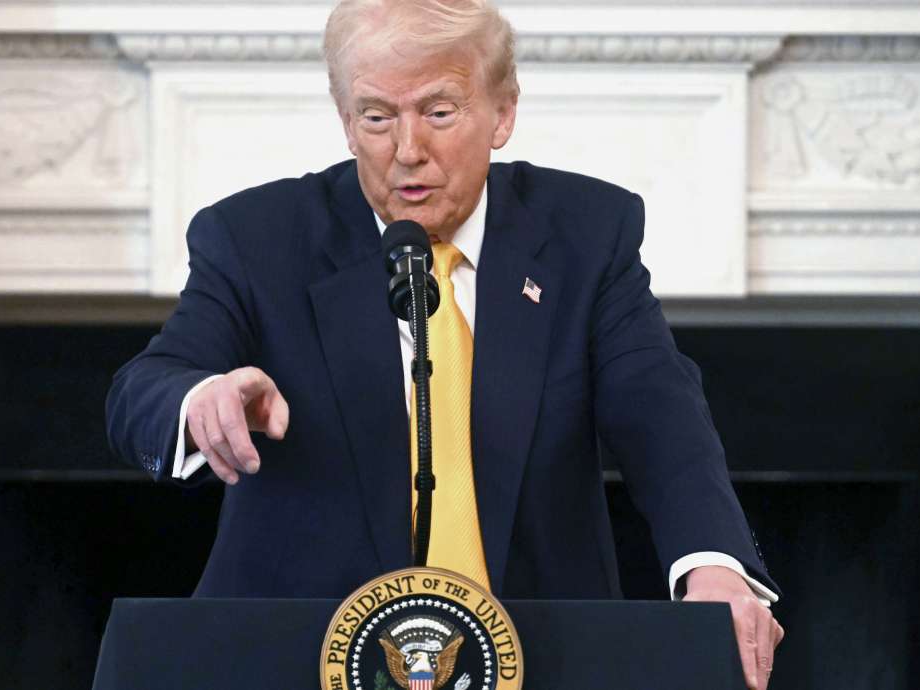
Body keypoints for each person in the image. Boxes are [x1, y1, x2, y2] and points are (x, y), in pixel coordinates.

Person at [106, 0, 784, 687]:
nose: (407, 150)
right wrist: (200, 399)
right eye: (377, 116)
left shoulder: (585, 233)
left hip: (540, 655)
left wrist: (715, 566)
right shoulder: (256, 237)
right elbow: (149, 384)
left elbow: (659, 411)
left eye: (438, 112)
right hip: (295, 659)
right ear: (346, 121)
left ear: (503, 113)